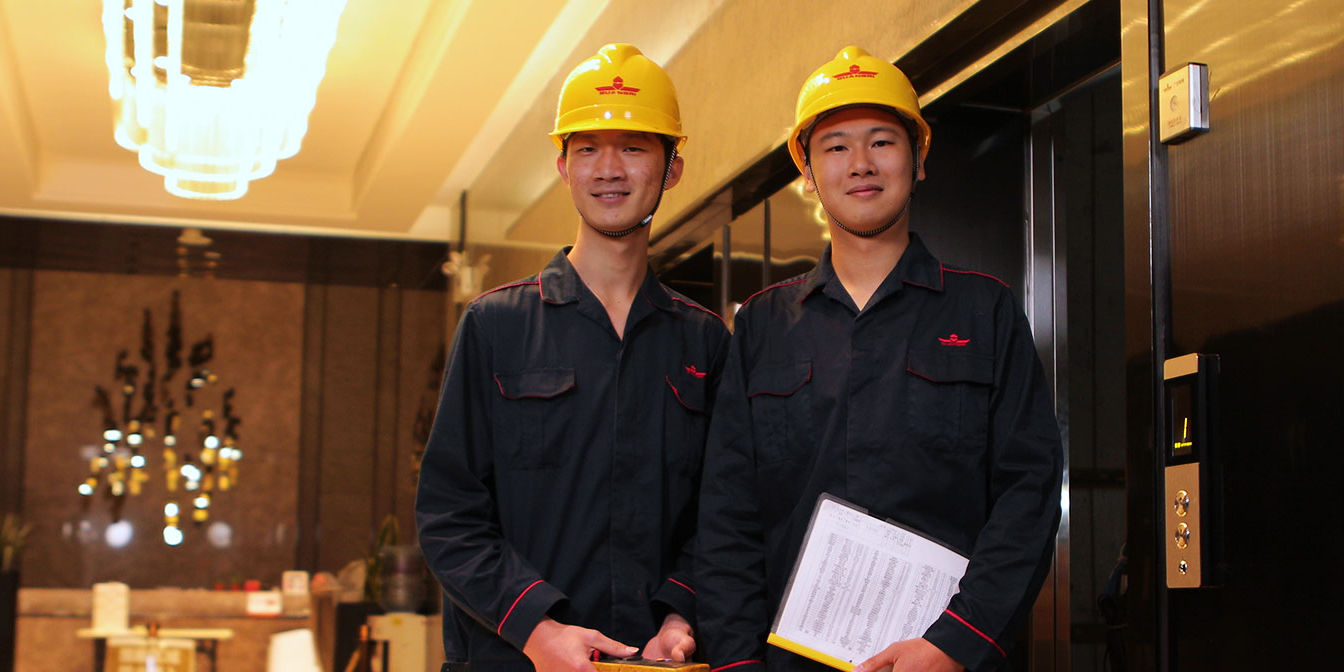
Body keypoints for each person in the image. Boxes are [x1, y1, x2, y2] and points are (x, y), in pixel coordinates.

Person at [696, 46, 1064, 672]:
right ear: (808, 173)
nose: (861, 164)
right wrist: (736, 662)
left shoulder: (986, 311)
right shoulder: (761, 326)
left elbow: (1028, 492)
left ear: (918, 160)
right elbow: (727, 514)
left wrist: (957, 641)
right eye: (836, 146)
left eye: (882, 142)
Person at [417, 43, 730, 672]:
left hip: (649, 664)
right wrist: (538, 631)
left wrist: (679, 613)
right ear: (563, 167)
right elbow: (449, 516)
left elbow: (722, 513)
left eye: (633, 147)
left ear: (671, 169)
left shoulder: (704, 342)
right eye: (588, 149)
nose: (608, 169)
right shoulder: (495, 326)